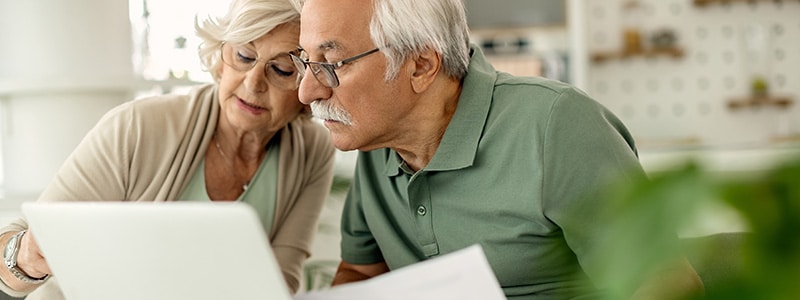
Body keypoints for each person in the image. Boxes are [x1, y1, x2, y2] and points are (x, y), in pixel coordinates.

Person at [291, 0, 704, 299]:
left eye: (333, 63)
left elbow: (667, 285)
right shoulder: (376, 143)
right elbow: (361, 271)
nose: (307, 90)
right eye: (305, 61)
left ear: (420, 65)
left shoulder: (556, 126)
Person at [0, 0, 334, 299]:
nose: (253, 83)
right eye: (244, 56)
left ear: (309, 81)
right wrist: (26, 258)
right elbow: (16, 251)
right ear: (220, 59)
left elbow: (279, 281)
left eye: (282, 69)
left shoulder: (312, 151)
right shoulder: (137, 126)